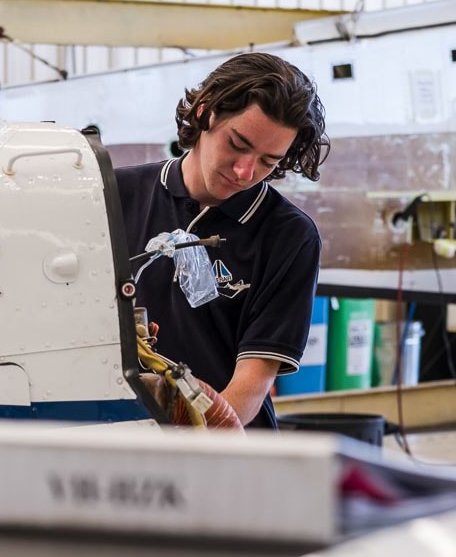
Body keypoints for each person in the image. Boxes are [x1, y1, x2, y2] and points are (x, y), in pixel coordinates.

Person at [114, 53, 329, 429]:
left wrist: (192, 445)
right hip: (122, 439)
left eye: (268, 161)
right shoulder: (116, 195)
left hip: (226, 450)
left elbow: (251, 382)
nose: (246, 172)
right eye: (238, 143)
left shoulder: (289, 236)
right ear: (205, 111)